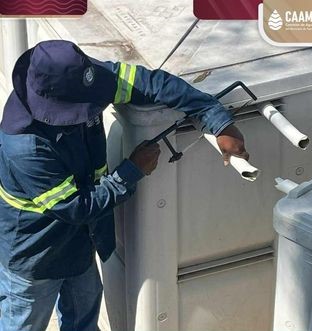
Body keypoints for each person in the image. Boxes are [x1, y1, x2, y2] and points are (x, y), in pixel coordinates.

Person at [0, 39, 249, 331]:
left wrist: (219, 122)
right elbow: (76, 208)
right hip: (35, 256)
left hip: (79, 244)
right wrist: (131, 170)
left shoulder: (84, 81)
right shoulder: (26, 146)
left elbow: (152, 83)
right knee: (23, 325)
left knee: (83, 319)